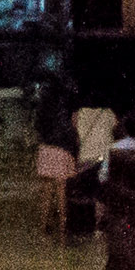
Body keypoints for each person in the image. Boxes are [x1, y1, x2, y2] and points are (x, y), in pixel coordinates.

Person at [32, 68, 81, 239]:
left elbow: (37, 126)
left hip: (46, 148)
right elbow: (74, 125)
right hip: (63, 148)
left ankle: (43, 226)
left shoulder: (44, 103)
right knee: (62, 190)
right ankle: (63, 226)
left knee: (46, 191)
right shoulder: (69, 101)